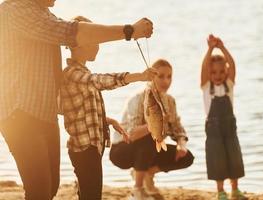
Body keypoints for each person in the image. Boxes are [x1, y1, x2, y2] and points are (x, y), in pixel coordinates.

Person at [0, 0, 153, 199]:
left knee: (50, 187)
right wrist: (129, 30)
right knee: (39, 190)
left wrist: (97, 117)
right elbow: (73, 33)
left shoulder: (44, 13)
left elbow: (59, 88)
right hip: (20, 116)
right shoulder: (16, 11)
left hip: (44, 115)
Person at [60, 15, 157, 200]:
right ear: (77, 45)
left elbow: (78, 112)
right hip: (84, 149)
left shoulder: (81, 73)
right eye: (95, 41)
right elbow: (100, 81)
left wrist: (107, 120)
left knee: (88, 194)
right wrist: (139, 76)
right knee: (91, 195)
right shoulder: (73, 74)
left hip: (91, 148)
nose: (98, 45)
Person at [110, 59, 194, 200]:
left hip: (149, 150)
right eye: (160, 76)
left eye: (169, 76)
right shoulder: (138, 98)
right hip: (122, 150)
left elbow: (178, 129)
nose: (165, 81)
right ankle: (137, 190)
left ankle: (147, 173)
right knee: (150, 138)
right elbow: (131, 134)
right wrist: (153, 124)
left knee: (187, 157)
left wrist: (181, 145)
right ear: (151, 77)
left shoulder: (170, 101)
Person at [200, 34, 247, 200]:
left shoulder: (229, 85)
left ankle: (235, 189)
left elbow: (232, 64)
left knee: (234, 157)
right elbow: (205, 67)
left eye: (221, 71)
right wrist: (210, 49)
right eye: (214, 72)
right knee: (217, 158)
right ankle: (220, 191)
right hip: (213, 132)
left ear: (226, 71)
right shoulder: (206, 87)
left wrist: (222, 47)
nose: (218, 75)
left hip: (229, 129)